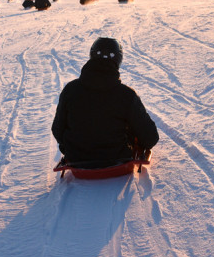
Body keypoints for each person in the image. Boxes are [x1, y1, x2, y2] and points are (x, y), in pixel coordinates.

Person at [52, 38, 158, 168]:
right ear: (118, 59)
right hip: (118, 159)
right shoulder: (126, 95)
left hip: (77, 159)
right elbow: (150, 137)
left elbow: (57, 129)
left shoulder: (70, 90)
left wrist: (69, 147)